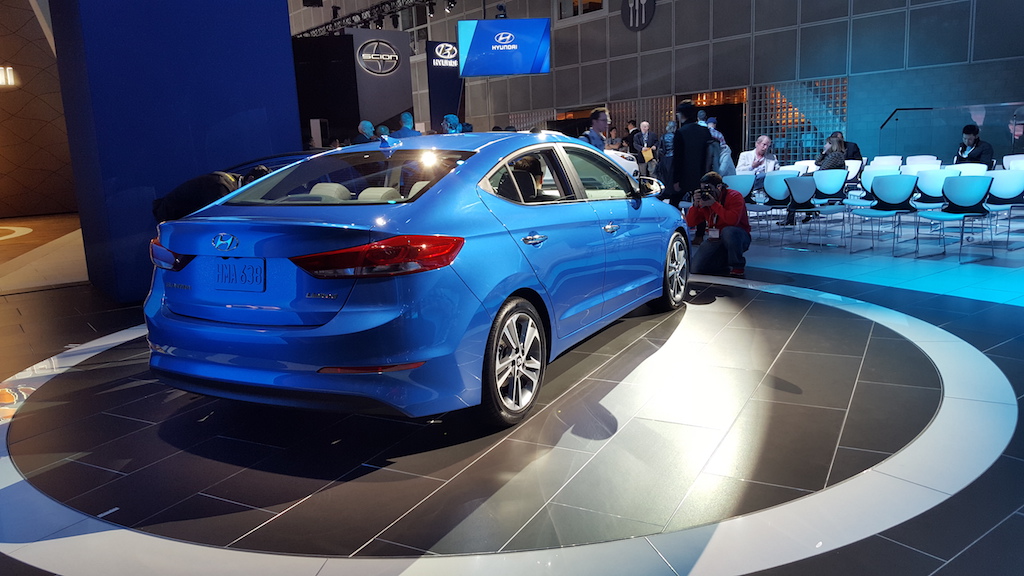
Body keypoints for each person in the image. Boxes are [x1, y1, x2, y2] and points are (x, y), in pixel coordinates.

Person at [685, 171, 752, 278]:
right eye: (703, 190)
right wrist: (695, 206)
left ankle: (737, 266)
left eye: (708, 189)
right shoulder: (704, 200)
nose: (706, 193)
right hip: (715, 238)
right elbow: (690, 223)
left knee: (728, 231)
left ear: (719, 187)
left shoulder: (734, 196)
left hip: (738, 236)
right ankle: (723, 261)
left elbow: (732, 221)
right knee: (695, 268)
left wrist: (714, 204)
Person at [152, 166, 269, 222]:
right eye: (259, 190)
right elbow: (221, 219)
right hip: (170, 218)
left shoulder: (234, 182)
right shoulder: (222, 186)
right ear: (250, 180)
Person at [670, 101, 714, 209]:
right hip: (702, 173)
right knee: (701, 204)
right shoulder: (705, 131)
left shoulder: (681, 132)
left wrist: (676, 180)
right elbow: (709, 154)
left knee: (674, 205)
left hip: (684, 175)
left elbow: (678, 158)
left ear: (681, 114)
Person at [655, 120, 676, 185]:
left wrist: (658, 159)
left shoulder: (663, 136)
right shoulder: (676, 136)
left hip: (665, 158)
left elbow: (659, 149)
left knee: (665, 177)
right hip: (673, 158)